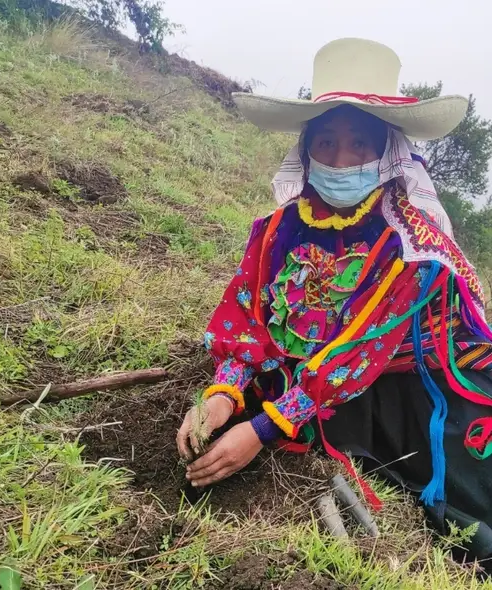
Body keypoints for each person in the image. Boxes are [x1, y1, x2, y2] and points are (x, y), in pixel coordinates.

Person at [175, 37, 492, 563]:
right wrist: (224, 393)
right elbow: (247, 316)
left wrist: (263, 428)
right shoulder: (277, 229)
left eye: (359, 144)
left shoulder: (413, 245)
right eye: (325, 142)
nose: (340, 161)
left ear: (387, 154)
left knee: (463, 489)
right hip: (317, 371)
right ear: (306, 150)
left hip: (400, 380)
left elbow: (358, 352)